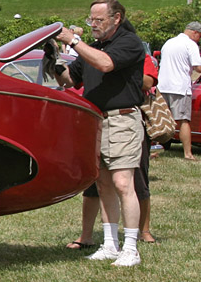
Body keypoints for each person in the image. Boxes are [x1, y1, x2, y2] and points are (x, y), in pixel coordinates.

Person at [54, 0, 145, 267]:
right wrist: (56, 63)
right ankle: (110, 244)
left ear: (117, 18)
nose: (93, 25)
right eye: (90, 20)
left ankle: (130, 247)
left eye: (98, 20)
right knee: (103, 184)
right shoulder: (93, 47)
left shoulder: (129, 42)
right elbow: (70, 80)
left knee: (122, 184)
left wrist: (74, 42)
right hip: (97, 121)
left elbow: (106, 64)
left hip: (122, 120)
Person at [67, 44, 158, 249]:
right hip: (98, 121)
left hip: (128, 123)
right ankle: (87, 235)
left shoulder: (134, 52)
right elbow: (70, 79)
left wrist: (123, 70)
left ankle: (143, 231)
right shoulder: (92, 55)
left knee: (135, 181)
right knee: (96, 183)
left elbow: (148, 81)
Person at [157, 21, 201, 161]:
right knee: (184, 120)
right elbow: (200, 69)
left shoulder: (169, 42)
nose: (199, 39)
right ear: (195, 33)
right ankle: (187, 153)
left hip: (162, 86)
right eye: (200, 36)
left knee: (160, 120)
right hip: (179, 87)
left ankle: (154, 150)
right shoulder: (190, 44)